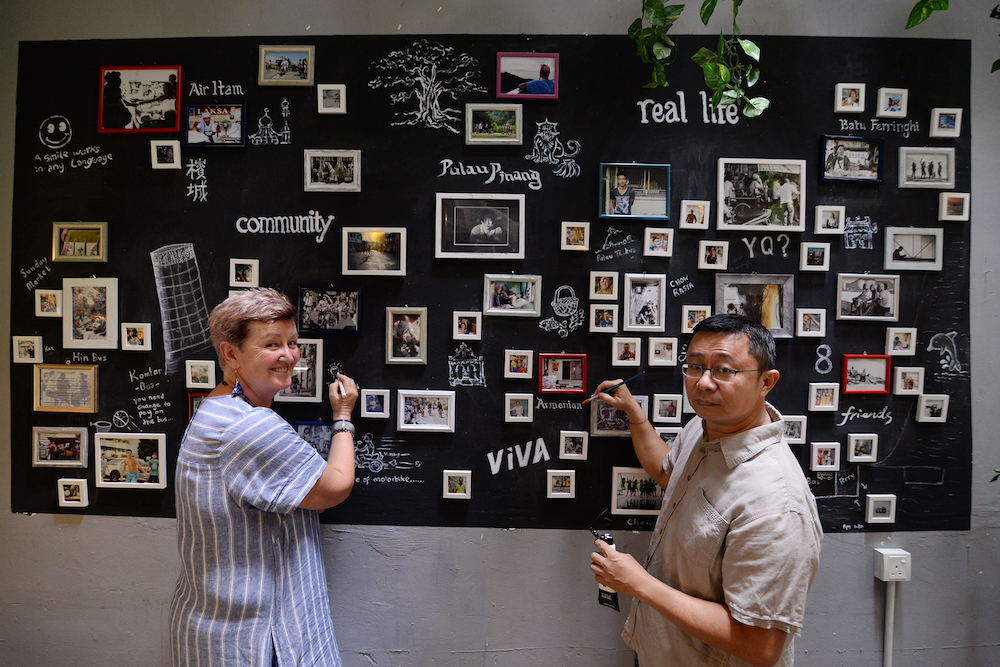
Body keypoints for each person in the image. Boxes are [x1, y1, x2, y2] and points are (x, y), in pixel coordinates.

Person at [590, 314, 822, 667]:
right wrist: (634, 413)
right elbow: (667, 472)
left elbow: (760, 647)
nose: (703, 383)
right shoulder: (705, 428)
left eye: (724, 370)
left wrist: (639, 584)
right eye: (695, 366)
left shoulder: (776, 502)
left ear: (766, 381)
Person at [169, 288, 358, 667]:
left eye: (292, 342)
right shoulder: (250, 426)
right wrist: (343, 416)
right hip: (255, 639)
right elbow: (336, 485)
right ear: (230, 354)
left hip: (217, 627)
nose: (289, 355)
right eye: (272, 344)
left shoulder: (214, 409)